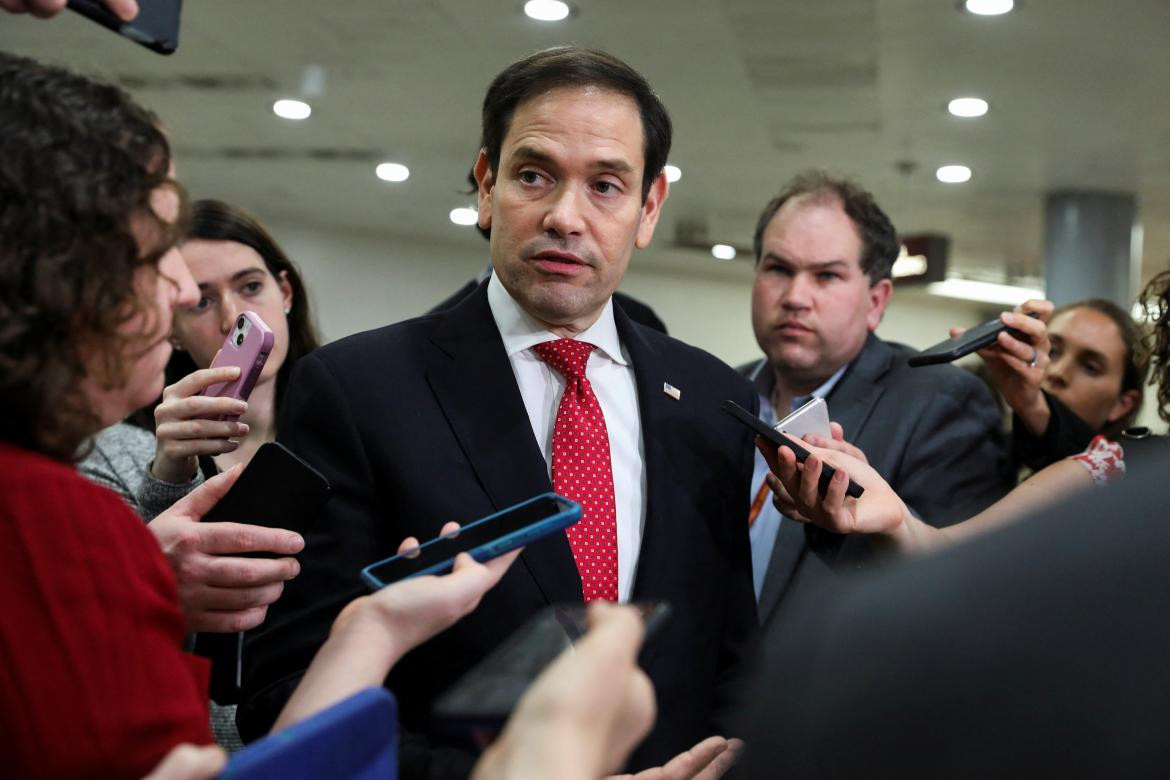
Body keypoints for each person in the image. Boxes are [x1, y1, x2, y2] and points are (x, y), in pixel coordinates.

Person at [0, 50, 529, 779]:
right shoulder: (50, 516)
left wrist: (370, 628)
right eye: (156, 252)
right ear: (55, 276)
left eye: (246, 284)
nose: (186, 292)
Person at [240, 46, 758, 778]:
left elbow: (730, 651)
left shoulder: (712, 397)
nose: (565, 216)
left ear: (649, 209)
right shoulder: (358, 390)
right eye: (534, 175)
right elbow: (284, 691)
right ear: (487, 186)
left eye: (606, 186)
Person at [742, 171, 1012, 621]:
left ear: (876, 301)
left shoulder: (942, 403)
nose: (795, 297)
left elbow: (960, 588)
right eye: (778, 269)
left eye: (826, 275)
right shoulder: (718, 391)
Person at [997, 298, 1146, 471]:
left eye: (1090, 367)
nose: (1057, 372)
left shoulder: (1127, 487)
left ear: (1122, 404)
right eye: (1052, 351)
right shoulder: (988, 452)